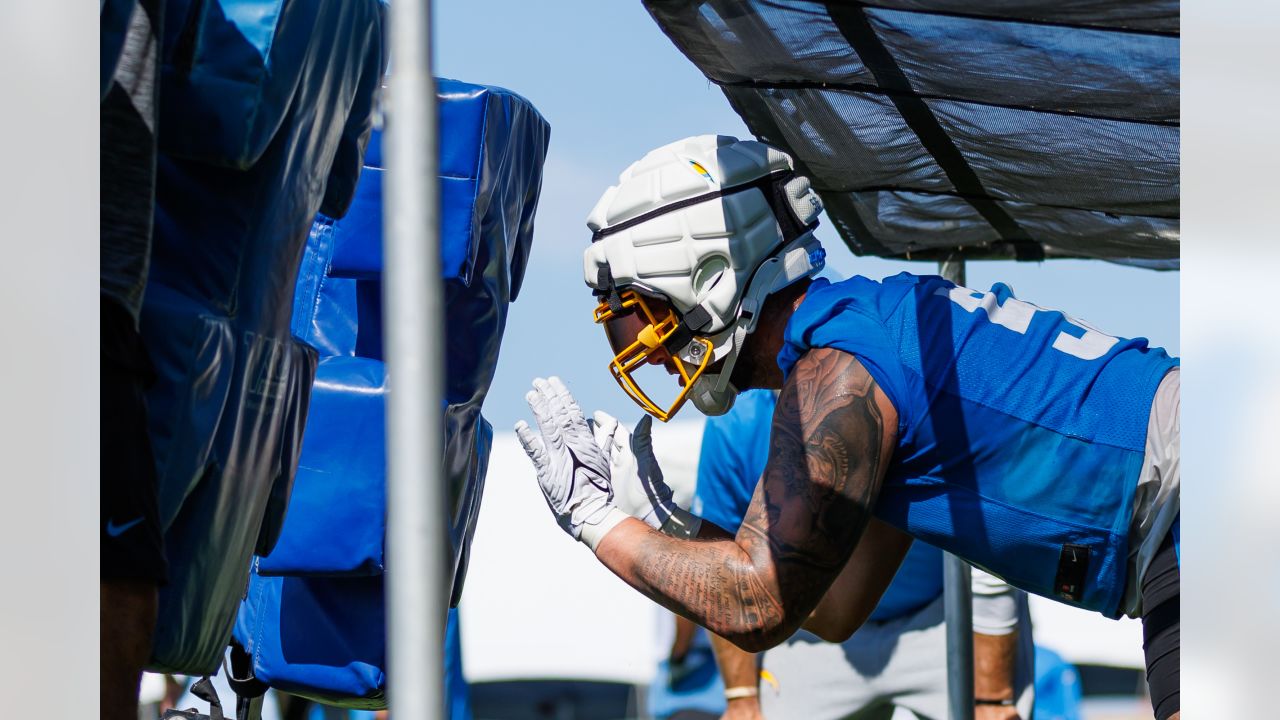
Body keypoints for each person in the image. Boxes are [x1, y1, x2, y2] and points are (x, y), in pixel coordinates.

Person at [514, 135, 1179, 719]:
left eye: (641, 312)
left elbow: (755, 603)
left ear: (707, 279)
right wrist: (660, 518)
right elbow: (829, 610)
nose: (646, 350)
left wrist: (598, 523)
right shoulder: (854, 342)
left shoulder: (841, 368)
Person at [688, 388, 1034, 719]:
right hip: (810, 638)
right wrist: (741, 699)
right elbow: (722, 559)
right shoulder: (738, 420)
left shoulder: (917, 394)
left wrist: (991, 696)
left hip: (939, 618)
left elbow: (988, 545)